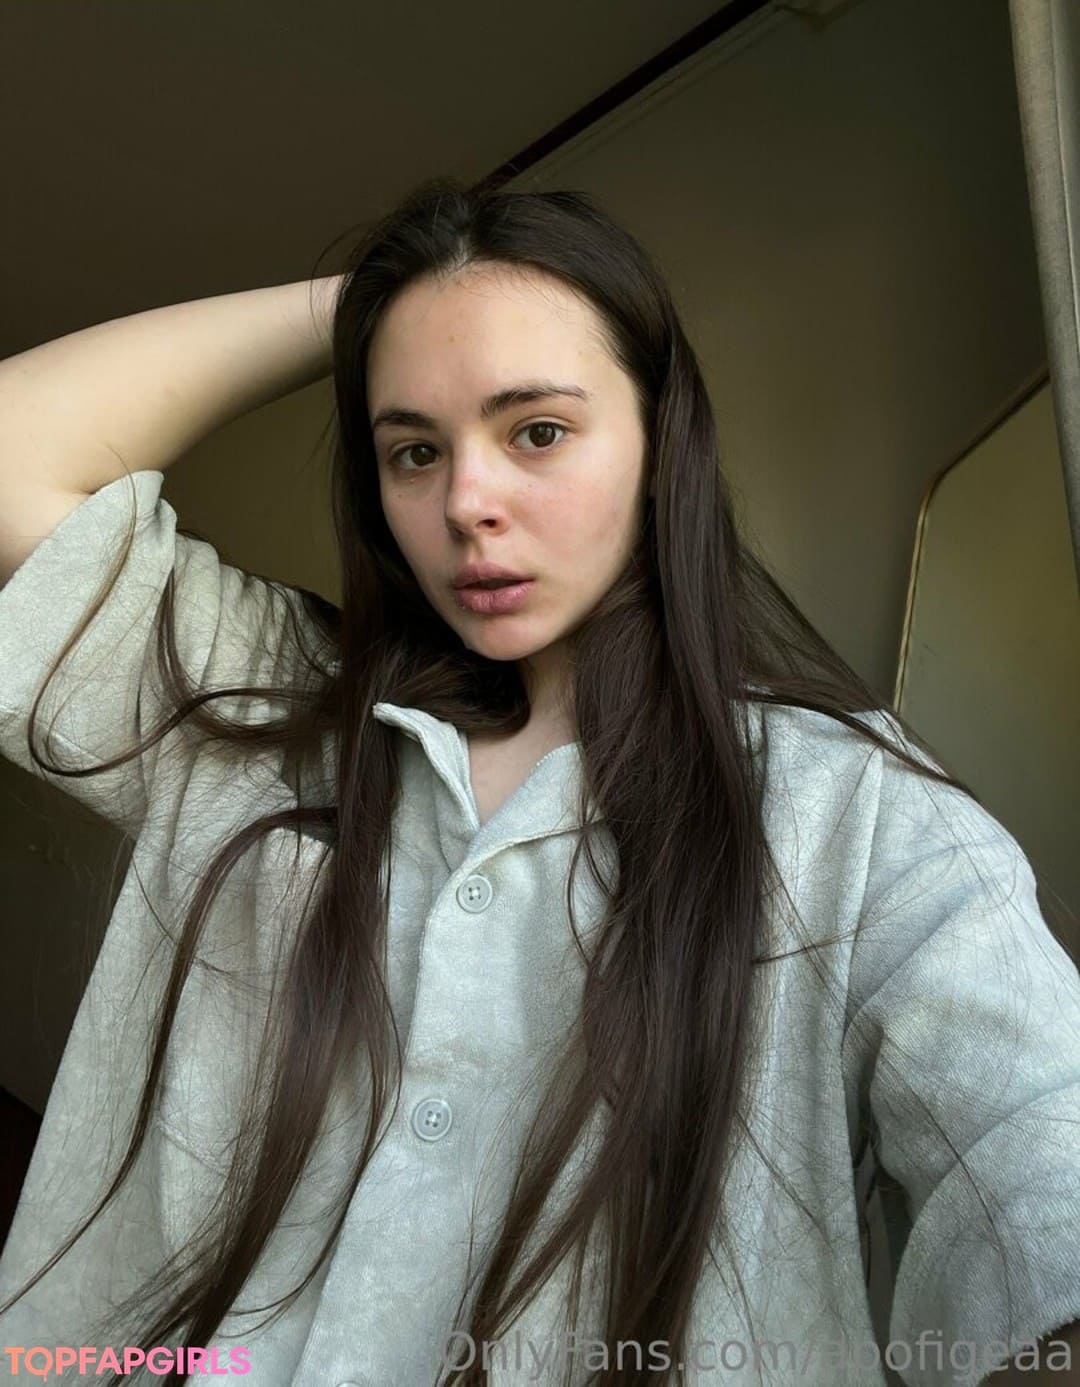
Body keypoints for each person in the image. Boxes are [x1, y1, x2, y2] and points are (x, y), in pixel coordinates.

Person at [0, 178, 1077, 1387]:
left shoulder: (859, 819)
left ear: (661, 443)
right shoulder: (272, 710)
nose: (468, 502)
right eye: (415, 450)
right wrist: (379, 304)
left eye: (537, 432)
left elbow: (1041, 1160)